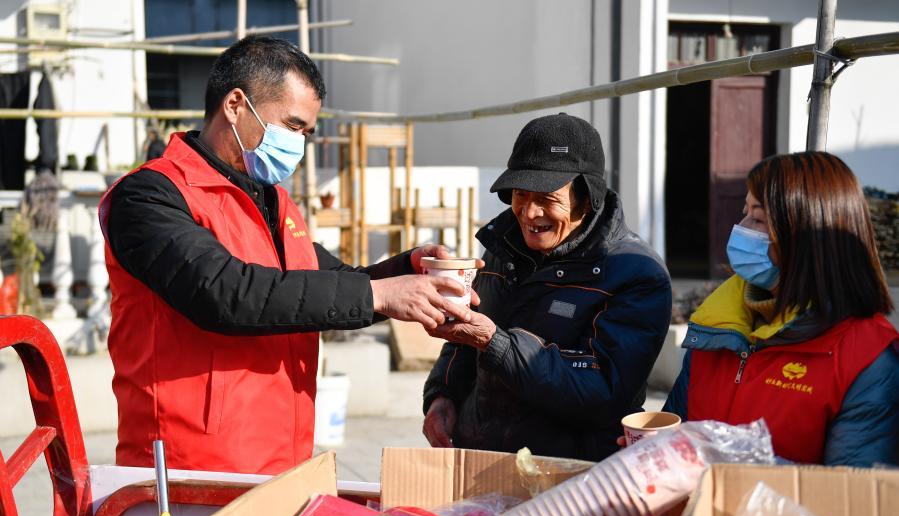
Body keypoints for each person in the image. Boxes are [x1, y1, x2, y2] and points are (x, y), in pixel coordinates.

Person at [100, 36, 475, 475]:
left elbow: (331, 282)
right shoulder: (150, 196)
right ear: (236, 105)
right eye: (292, 126)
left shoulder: (273, 202)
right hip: (187, 475)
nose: (299, 144)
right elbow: (226, 292)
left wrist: (409, 269)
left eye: (307, 133)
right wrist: (383, 294)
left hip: (280, 466)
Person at [422, 113, 673, 461]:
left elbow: (603, 391)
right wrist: (442, 395)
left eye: (548, 198)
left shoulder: (635, 274)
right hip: (480, 460)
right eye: (521, 194)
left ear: (588, 198)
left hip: (569, 478)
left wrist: (496, 343)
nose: (529, 212)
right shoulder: (502, 249)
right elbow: (467, 335)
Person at [664, 151, 899, 466]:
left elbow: (852, 498)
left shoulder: (868, 358)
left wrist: (728, 464)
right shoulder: (718, 325)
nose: (740, 228)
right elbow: (673, 429)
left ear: (809, 236)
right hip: (695, 515)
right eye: (744, 212)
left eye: (758, 219)